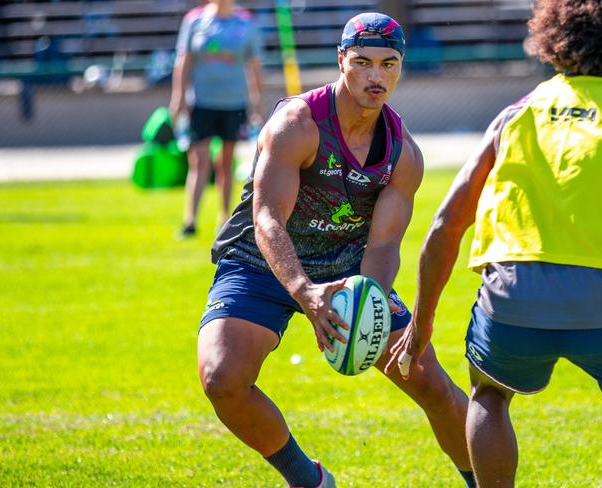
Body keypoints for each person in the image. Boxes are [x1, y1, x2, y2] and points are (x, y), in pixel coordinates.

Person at [196, 12, 476, 488]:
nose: (376, 76)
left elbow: (385, 242)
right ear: (341, 60)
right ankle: (309, 480)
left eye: (389, 64)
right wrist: (305, 291)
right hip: (260, 262)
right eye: (363, 62)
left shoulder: (402, 152)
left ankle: (482, 482)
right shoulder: (298, 124)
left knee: (431, 383)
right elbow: (267, 219)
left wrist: (372, 293)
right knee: (222, 377)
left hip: (347, 268)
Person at [386, 1, 602, 486]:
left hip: (512, 295)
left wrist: (421, 326)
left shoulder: (516, 113)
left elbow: (445, 225)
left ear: (554, 39)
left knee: (489, 395)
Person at [169, 0, 263, 238]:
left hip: (234, 103)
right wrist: (178, 97)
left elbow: (254, 65)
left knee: (226, 162)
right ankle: (190, 220)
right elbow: (184, 60)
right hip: (201, 102)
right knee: (199, 162)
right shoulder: (195, 20)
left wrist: (256, 102)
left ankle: (224, 219)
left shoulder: (245, 22)